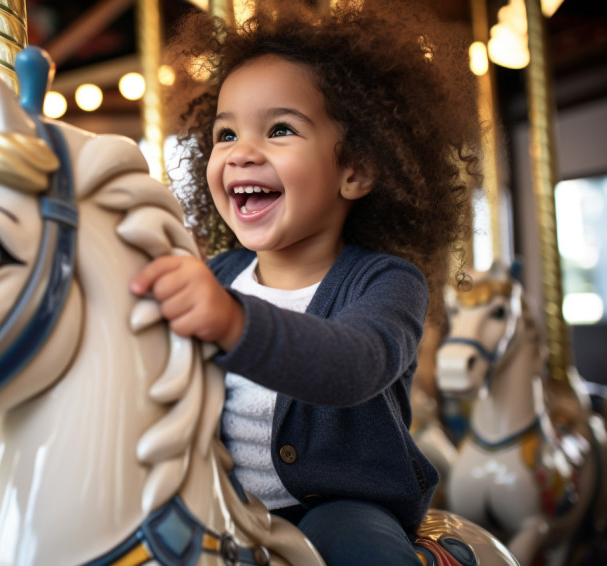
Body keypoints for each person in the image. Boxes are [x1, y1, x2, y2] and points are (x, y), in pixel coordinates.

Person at [130, 0, 481, 563]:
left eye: (280, 129)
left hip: (343, 507)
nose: (242, 152)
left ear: (355, 170)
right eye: (225, 135)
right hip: (219, 499)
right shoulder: (217, 277)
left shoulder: (386, 281)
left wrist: (233, 323)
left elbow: (354, 364)